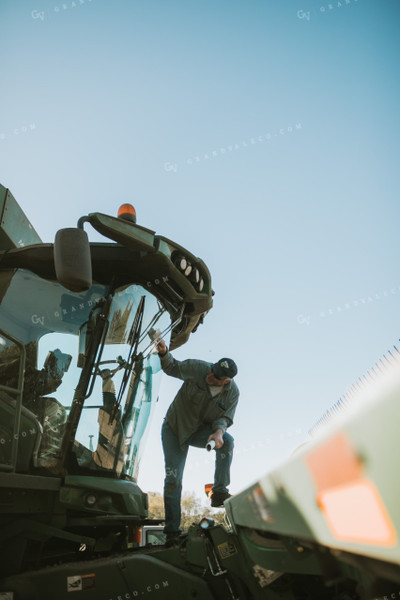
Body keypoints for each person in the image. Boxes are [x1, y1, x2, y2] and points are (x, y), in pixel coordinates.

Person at [156, 338, 239, 541]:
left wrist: (218, 432)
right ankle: (172, 532)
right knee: (173, 478)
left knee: (227, 441)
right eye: (211, 370)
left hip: (200, 432)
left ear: (225, 381)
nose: (210, 375)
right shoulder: (198, 368)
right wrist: (164, 352)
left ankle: (219, 492)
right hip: (174, 429)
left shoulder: (232, 393)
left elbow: (224, 418)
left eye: (216, 377)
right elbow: (173, 367)